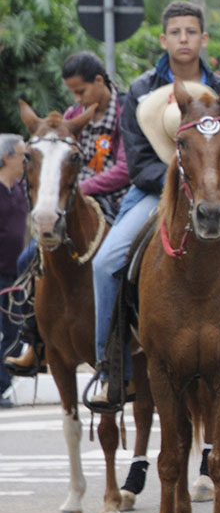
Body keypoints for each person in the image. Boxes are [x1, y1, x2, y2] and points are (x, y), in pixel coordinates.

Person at [91, 0, 220, 403]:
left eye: (190, 32)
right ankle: (110, 367)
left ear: (203, 38)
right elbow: (138, 161)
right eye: (175, 32)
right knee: (104, 263)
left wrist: (219, 171)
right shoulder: (140, 91)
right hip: (155, 192)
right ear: (163, 39)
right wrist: (182, 183)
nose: (183, 39)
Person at [5, 52, 131, 377]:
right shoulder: (73, 117)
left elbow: (124, 168)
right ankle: (35, 343)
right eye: (72, 93)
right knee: (27, 259)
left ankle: (136, 334)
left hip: (118, 203)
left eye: (81, 91)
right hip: (74, 205)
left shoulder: (125, 111)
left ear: (100, 81)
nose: (76, 99)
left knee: (129, 259)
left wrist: (84, 189)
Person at [0, 135, 29, 407]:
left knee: (16, 331)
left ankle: (2, 385)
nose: (25, 161)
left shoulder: (20, 189)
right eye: (22, 156)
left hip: (17, 275)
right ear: (6, 157)